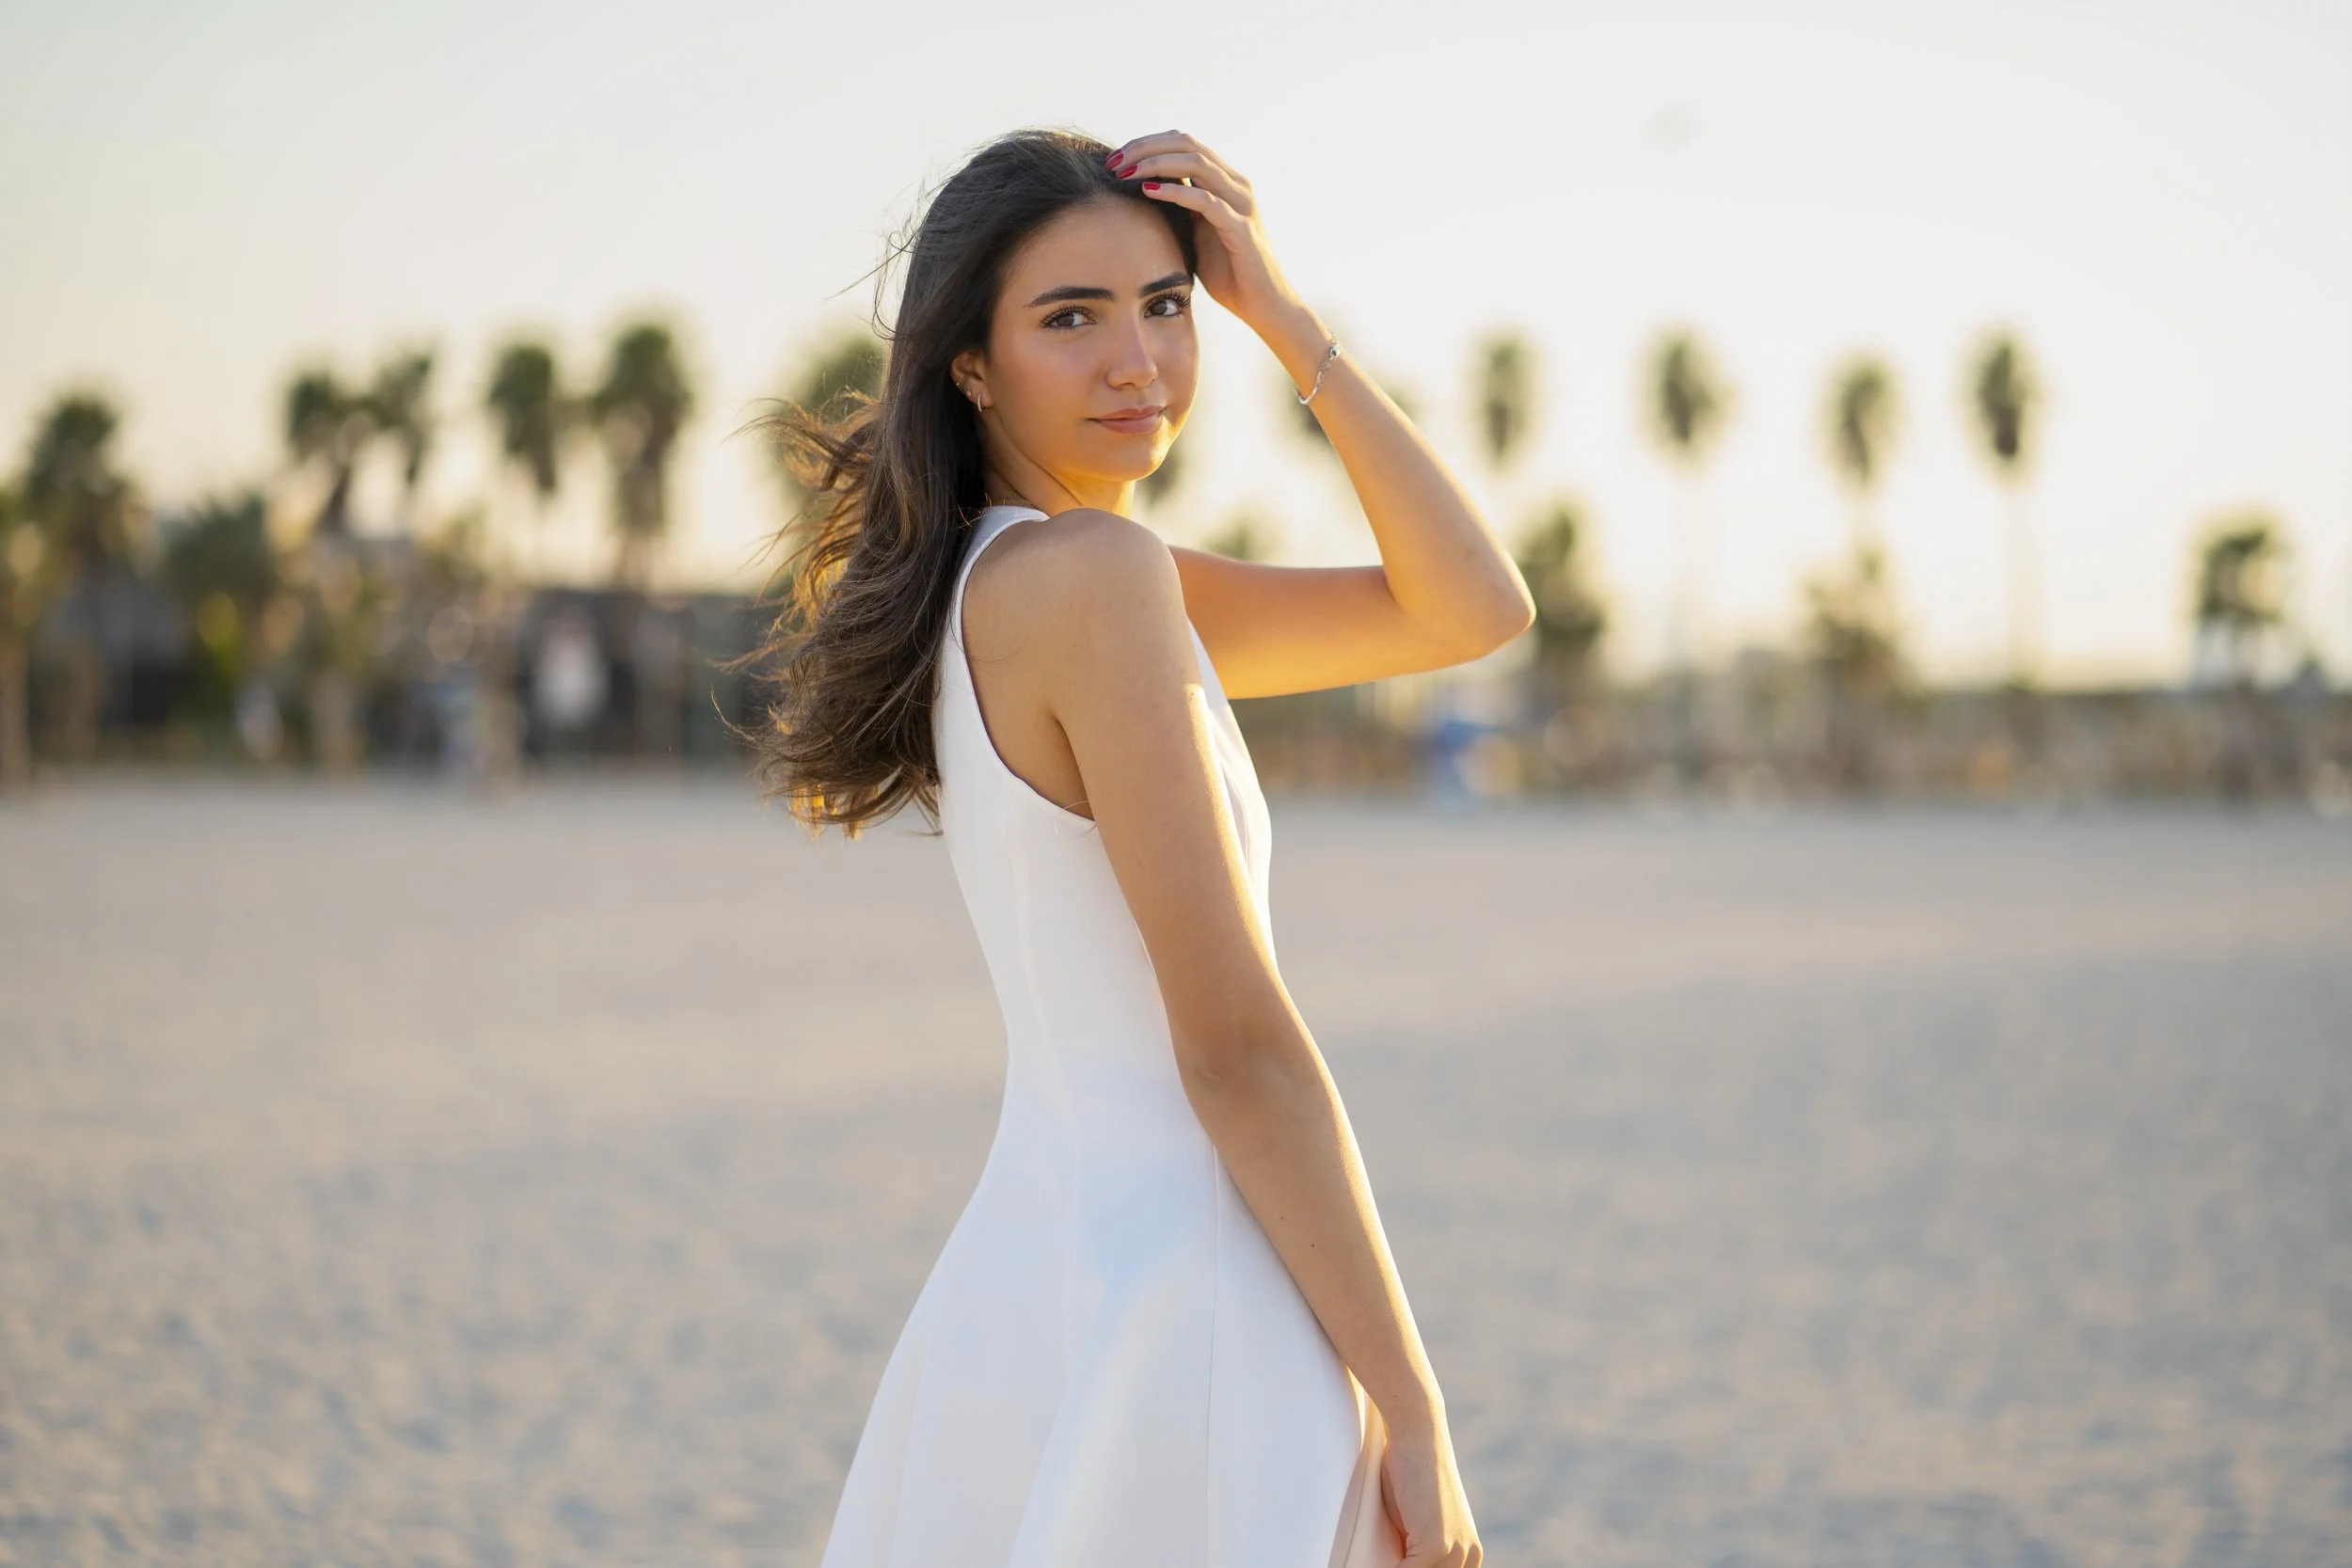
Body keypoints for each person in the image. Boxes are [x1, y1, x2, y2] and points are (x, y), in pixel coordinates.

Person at [739, 126, 1530, 1568]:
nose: (1139, 363)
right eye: (1070, 318)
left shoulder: (1037, 580)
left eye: (1167, 304)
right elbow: (1233, 1041)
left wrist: (1281, 317)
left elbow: (1473, 610)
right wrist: (1412, 1398)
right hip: (1186, 1283)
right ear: (970, 364)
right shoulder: (1094, 583)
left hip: (1041, 1275)